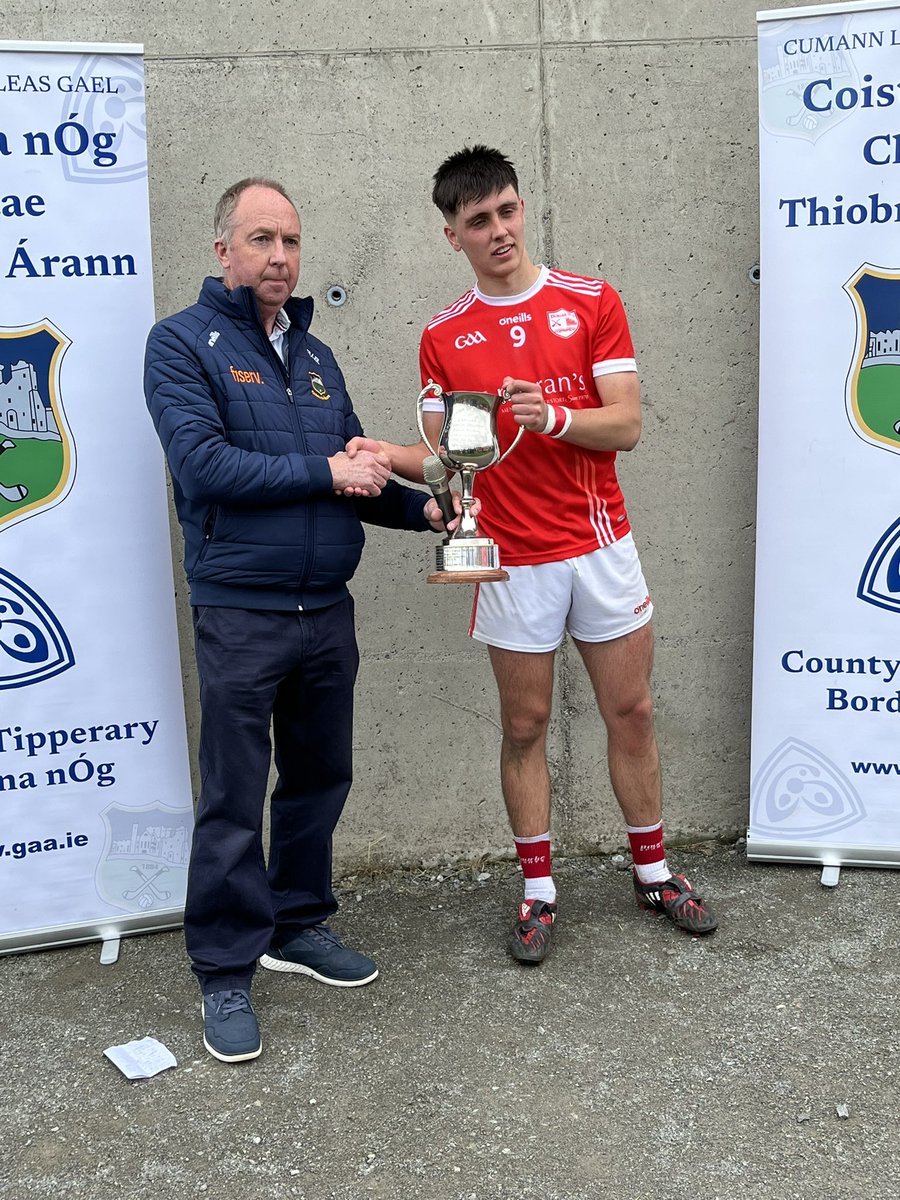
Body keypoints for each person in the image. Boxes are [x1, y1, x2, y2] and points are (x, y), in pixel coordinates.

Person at [370, 145, 718, 963]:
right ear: (451, 235)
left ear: (522, 208)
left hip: (600, 546)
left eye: (507, 211)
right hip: (513, 556)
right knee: (525, 723)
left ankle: (654, 869)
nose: (499, 231)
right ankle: (537, 889)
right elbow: (448, 458)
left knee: (630, 711)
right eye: (478, 221)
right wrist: (382, 453)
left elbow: (626, 424)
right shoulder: (443, 335)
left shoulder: (591, 302)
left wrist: (553, 419)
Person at [144, 177, 456, 1063]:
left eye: (290, 240)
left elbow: (360, 473)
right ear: (223, 252)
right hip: (241, 612)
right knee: (235, 800)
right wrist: (329, 475)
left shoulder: (317, 360)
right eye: (261, 239)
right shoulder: (180, 345)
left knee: (319, 781)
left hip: (326, 613)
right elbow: (205, 468)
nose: (279, 256)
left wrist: (427, 513)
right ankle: (225, 967)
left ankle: (297, 926)